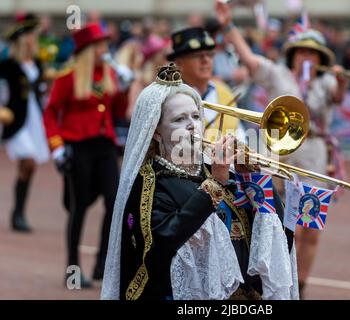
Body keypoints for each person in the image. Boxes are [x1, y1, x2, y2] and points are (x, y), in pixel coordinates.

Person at [101, 63, 298, 300]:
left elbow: (278, 242)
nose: (192, 125)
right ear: (156, 132)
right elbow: (160, 247)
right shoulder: (149, 182)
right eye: (179, 119)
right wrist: (214, 185)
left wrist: (253, 178)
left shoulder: (222, 173)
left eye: (196, 116)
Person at [214, 0, 348, 298]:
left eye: (312, 52)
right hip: (277, 156)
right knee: (274, 221)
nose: (307, 56)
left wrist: (340, 84)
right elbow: (249, 60)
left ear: (320, 57)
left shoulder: (324, 82)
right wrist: (228, 25)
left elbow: (339, 98)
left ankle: (300, 288)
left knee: (310, 228)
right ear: (293, 53)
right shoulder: (277, 74)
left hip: (313, 155)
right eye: (302, 51)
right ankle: (276, 283)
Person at [43, 23, 128, 287]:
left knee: (114, 202)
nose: (105, 48)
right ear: (88, 49)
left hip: (104, 146)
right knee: (78, 206)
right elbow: (51, 112)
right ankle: (73, 268)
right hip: (78, 146)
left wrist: (125, 86)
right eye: (100, 44)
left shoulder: (110, 73)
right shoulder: (68, 77)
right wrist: (56, 147)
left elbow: (119, 110)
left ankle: (103, 264)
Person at [0, 13, 50, 232]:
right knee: (28, 161)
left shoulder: (37, 63)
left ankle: (19, 211)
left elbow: (40, 90)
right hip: (15, 118)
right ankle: (18, 213)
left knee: (29, 167)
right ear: (22, 39)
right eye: (30, 35)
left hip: (34, 117)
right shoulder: (8, 64)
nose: (34, 39)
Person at [167, 26, 243, 141]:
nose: (206, 60)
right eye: (198, 55)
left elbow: (239, 131)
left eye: (209, 54)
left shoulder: (224, 90)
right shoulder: (171, 97)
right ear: (179, 63)